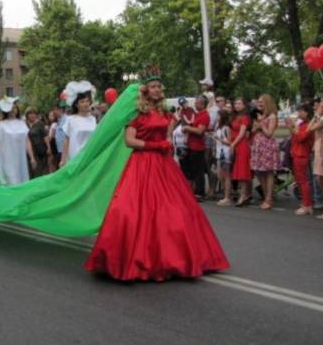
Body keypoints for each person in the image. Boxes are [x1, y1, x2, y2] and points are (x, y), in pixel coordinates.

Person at [84, 75, 230, 281]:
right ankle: (131, 259)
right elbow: (129, 141)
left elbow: (168, 135)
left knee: (175, 211)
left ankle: (176, 258)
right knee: (129, 210)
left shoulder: (165, 113)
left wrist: (168, 143)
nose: (156, 90)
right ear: (146, 90)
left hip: (163, 165)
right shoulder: (137, 113)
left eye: (158, 87)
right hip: (141, 163)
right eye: (152, 86)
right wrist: (156, 146)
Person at [0, 96, 36, 185]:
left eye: (15, 107)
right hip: (6, 159)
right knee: (10, 181)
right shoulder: (1, 125)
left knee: (21, 181)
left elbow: (27, 141)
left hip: (20, 159)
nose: (13, 109)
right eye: (11, 107)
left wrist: (32, 158)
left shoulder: (22, 123)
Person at [250, 94, 279, 210]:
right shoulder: (260, 116)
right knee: (258, 172)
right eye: (258, 101)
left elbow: (269, 133)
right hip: (258, 146)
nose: (259, 103)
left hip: (267, 146)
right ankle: (266, 195)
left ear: (267, 103)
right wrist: (256, 125)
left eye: (261, 102)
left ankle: (269, 199)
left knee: (268, 173)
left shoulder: (272, 116)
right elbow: (252, 130)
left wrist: (261, 125)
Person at [60, 81, 97, 166]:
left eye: (87, 101)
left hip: (90, 158)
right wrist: (63, 159)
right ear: (76, 104)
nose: (86, 104)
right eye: (82, 101)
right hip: (75, 157)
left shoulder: (93, 119)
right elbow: (66, 140)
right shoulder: (70, 120)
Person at [286, 104, 314, 215]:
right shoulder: (302, 124)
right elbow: (294, 136)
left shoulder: (308, 124)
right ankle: (305, 202)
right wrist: (290, 126)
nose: (299, 113)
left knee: (303, 181)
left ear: (307, 112)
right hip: (296, 153)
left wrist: (293, 125)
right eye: (299, 111)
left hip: (302, 154)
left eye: (302, 111)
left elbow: (301, 138)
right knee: (299, 181)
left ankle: (307, 204)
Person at [182, 95, 210, 199]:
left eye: (197, 103)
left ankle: (200, 192)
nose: (195, 104)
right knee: (192, 170)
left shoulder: (204, 115)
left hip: (198, 147)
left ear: (202, 104)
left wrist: (187, 128)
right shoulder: (197, 114)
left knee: (198, 171)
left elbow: (200, 131)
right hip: (191, 145)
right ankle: (193, 190)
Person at [230, 98, 252, 206]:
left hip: (242, 145)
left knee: (242, 172)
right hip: (236, 145)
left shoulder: (245, 117)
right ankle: (245, 195)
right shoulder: (235, 116)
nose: (237, 105)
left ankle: (243, 196)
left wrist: (233, 144)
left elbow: (242, 133)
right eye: (235, 103)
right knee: (239, 172)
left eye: (239, 103)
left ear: (244, 105)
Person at [213, 110, 233, 205]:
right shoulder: (218, 127)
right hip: (219, 153)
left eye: (218, 116)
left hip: (225, 154)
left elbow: (229, 142)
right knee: (220, 176)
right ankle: (226, 194)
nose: (217, 117)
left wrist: (218, 138)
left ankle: (227, 197)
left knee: (226, 176)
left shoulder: (226, 128)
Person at [26, 107, 50, 178]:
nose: (32, 115)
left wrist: (48, 147)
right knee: (30, 169)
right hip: (29, 150)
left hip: (39, 149)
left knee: (38, 169)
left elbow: (45, 136)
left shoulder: (40, 124)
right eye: (30, 114)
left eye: (34, 113)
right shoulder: (25, 124)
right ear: (27, 115)